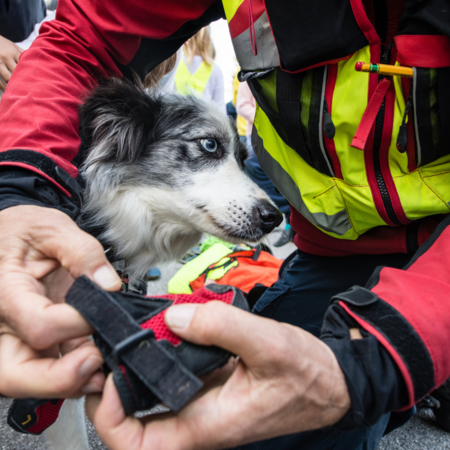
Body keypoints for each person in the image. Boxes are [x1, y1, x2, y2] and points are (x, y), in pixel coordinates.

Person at [0, 1, 449, 450]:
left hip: (437, 252)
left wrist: (379, 360)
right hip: (338, 252)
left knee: (323, 404)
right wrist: (19, 193)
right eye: (210, 147)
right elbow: (81, 39)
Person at [236, 81, 292, 247]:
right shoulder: (249, 77)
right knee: (254, 167)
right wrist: (270, 118)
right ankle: (288, 212)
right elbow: (242, 106)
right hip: (259, 134)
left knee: (286, 176)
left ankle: (292, 220)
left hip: (284, 135)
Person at [174, 26, 226, 114]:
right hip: (204, 124)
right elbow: (221, 109)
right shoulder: (214, 69)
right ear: (207, 37)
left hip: (175, 122)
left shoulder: (175, 64)